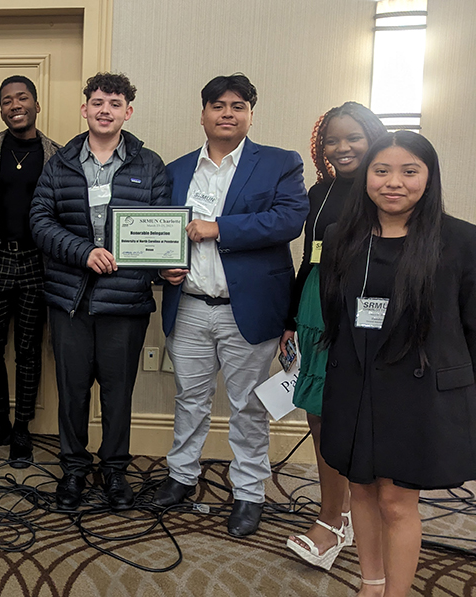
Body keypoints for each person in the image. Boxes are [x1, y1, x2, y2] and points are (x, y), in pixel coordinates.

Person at [319, 131, 476, 597]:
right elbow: (336, 315)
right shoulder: (339, 238)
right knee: (362, 489)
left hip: (418, 392)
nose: (394, 182)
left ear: (429, 178)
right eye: (381, 170)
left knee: (395, 499)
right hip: (355, 384)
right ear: (366, 176)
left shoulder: (460, 240)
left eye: (409, 171)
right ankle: (371, 583)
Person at [152, 74, 308, 537]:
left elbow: (288, 220)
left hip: (250, 308)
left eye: (237, 105)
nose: (227, 113)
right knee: (190, 400)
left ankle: (249, 493)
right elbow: (159, 232)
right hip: (191, 305)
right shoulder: (177, 170)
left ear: (250, 114)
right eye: (217, 105)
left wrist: (218, 227)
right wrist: (162, 268)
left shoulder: (279, 163)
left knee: (247, 406)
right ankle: (182, 476)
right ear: (202, 113)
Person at [29, 72, 169, 511]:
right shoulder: (60, 163)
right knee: (72, 392)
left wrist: (167, 266)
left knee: (117, 393)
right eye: (97, 102)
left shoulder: (150, 165)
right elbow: (40, 221)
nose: (105, 109)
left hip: (125, 301)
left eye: (115, 103)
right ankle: (73, 470)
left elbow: (162, 228)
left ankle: (113, 472)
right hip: (69, 298)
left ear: (128, 111)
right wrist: (84, 251)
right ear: (84, 108)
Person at [282, 103, 387, 569]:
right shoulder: (319, 192)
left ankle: (368, 514)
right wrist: (289, 319)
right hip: (316, 308)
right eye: (332, 140)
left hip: (365, 312)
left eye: (353, 138)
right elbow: (309, 257)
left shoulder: (386, 187)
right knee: (319, 414)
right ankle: (335, 516)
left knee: (365, 415)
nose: (342, 148)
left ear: (373, 137)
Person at [0, 76, 60, 464]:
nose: (14, 104)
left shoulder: (59, 154)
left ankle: (22, 428)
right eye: (6, 100)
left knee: (28, 350)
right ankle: (0, 422)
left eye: (22, 97)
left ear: (37, 105)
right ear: (1, 109)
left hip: (38, 263)